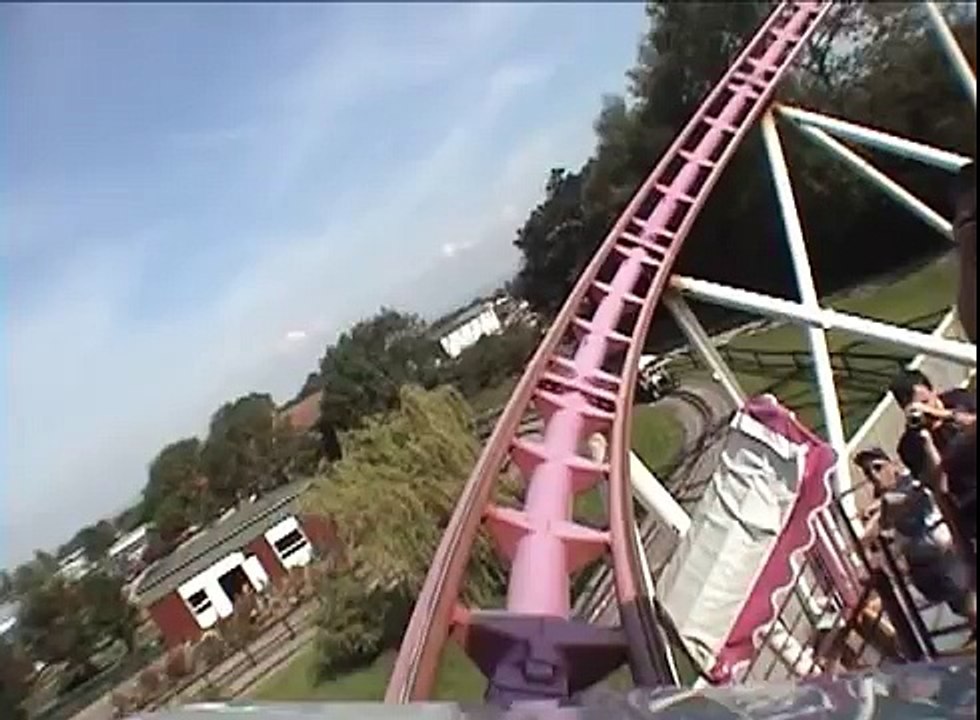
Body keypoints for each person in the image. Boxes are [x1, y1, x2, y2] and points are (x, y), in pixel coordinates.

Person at [855, 448, 975, 633]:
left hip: (945, 558)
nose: (874, 476)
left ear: (892, 465)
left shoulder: (911, 481)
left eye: (877, 468)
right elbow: (886, 517)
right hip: (923, 569)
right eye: (868, 472)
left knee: (967, 601)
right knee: (960, 607)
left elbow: (901, 501)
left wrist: (876, 514)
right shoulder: (884, 497)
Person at [890, 370, 976, 541]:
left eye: (925, 402)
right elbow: (939, 488)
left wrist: (944, 415)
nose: (923, 410)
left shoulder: (959, 400)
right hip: (969, 504)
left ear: (933, 391)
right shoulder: (910, 446)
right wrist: (926, 442)